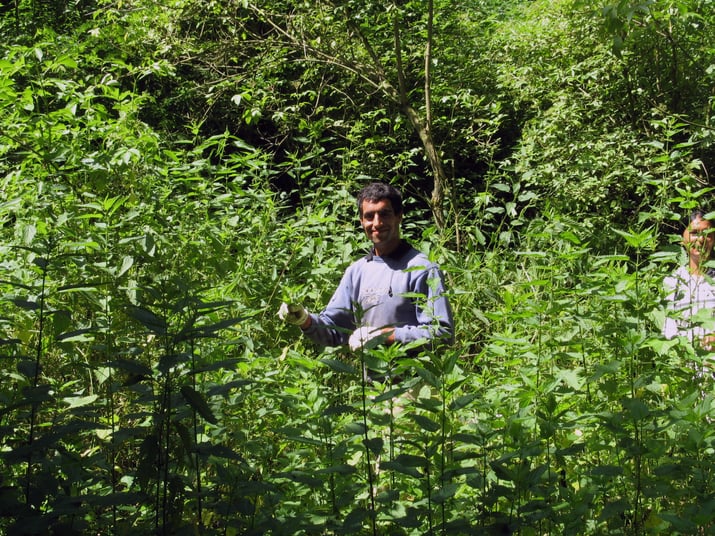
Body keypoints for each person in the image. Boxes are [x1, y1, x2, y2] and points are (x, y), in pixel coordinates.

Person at [279, 182, 454, 354]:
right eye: (369, 216)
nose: (377, 223)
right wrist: (304, 319)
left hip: (416, 381)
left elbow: (442, 334)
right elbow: (334, 331)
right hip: (371, 382)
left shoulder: (421, 269)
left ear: (399, 216)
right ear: (362, 221)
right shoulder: (357, 272)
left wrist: (386, 335)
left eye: (384, 214)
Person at [663, 209, 715, 349]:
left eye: (707, 234)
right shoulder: (673, 282)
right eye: (694, 233)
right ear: (682, 238)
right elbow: (668, 331)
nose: (701, 239)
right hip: (683, 365)